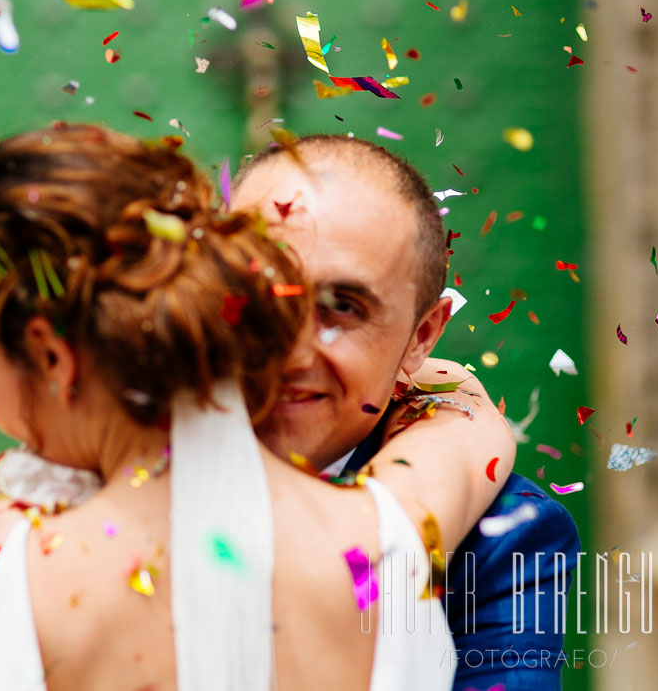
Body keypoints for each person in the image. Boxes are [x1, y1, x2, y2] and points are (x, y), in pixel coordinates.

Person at [0, 123, 516, 691]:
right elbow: (468, 431)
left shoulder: (8, 553)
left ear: (51, 356)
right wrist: (438, 378)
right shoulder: (393, 534)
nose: (297, 349)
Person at [232, 133, 581, 691]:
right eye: (260, 294)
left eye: (343, 307)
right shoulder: (109, 456)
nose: (290, 351)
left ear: (423, 336)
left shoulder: (503, 536)